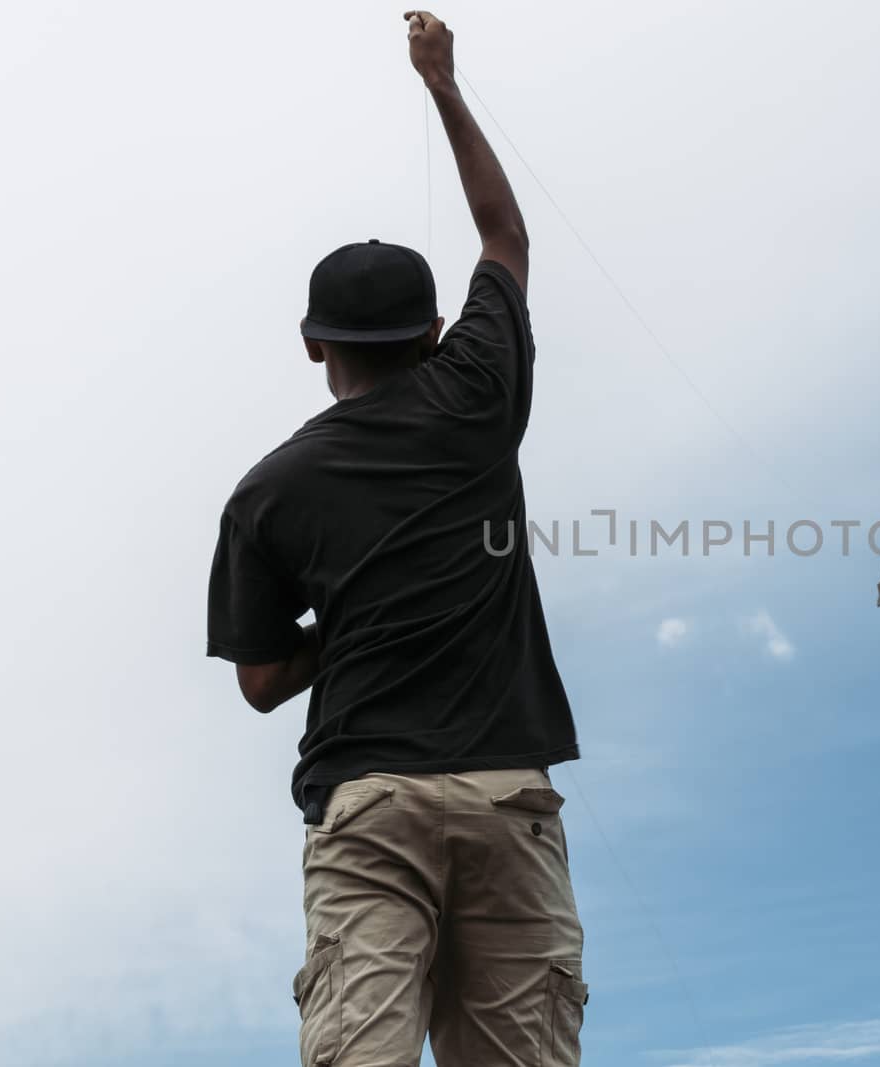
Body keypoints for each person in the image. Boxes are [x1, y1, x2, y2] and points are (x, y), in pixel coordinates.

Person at [205, 12, 586, 1065]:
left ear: (312, 343)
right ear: (431, 333)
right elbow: (504, 235)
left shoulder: (268, 491)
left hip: (368, 803)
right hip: (508, 792)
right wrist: (443, 84)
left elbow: (262, 677)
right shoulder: (477, 394)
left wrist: (355, 604)